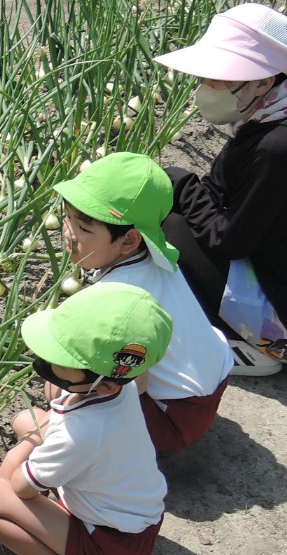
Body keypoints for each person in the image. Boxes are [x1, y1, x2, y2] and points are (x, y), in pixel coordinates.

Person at [153, 2, 287, 375]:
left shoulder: (286, 147)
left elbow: (229, 239)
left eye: (218, 78)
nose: (205, 88)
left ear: (264, 81)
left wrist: (180, 181)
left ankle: (246, 350)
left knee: (173, 229)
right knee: (168, 217)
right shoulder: (268, 116)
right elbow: (215, 196)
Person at [0, 282, 172, 555]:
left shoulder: (83, 434)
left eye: (61, 356)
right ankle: (47, 535)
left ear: (102, 381)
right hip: (129, 526)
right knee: (29, 418)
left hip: (107, 548)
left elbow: (18, 485)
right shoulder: (122, 388)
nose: (46, 358)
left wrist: (26, 446)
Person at [53, 153, 233, 452]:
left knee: (61, 384)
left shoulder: (121, 299)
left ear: (128, 241)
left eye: (84, 228)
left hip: (175, 419)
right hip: (208, 384)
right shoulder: (154, 257)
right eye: (67, 217)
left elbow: (136, 383)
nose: (69, 233)